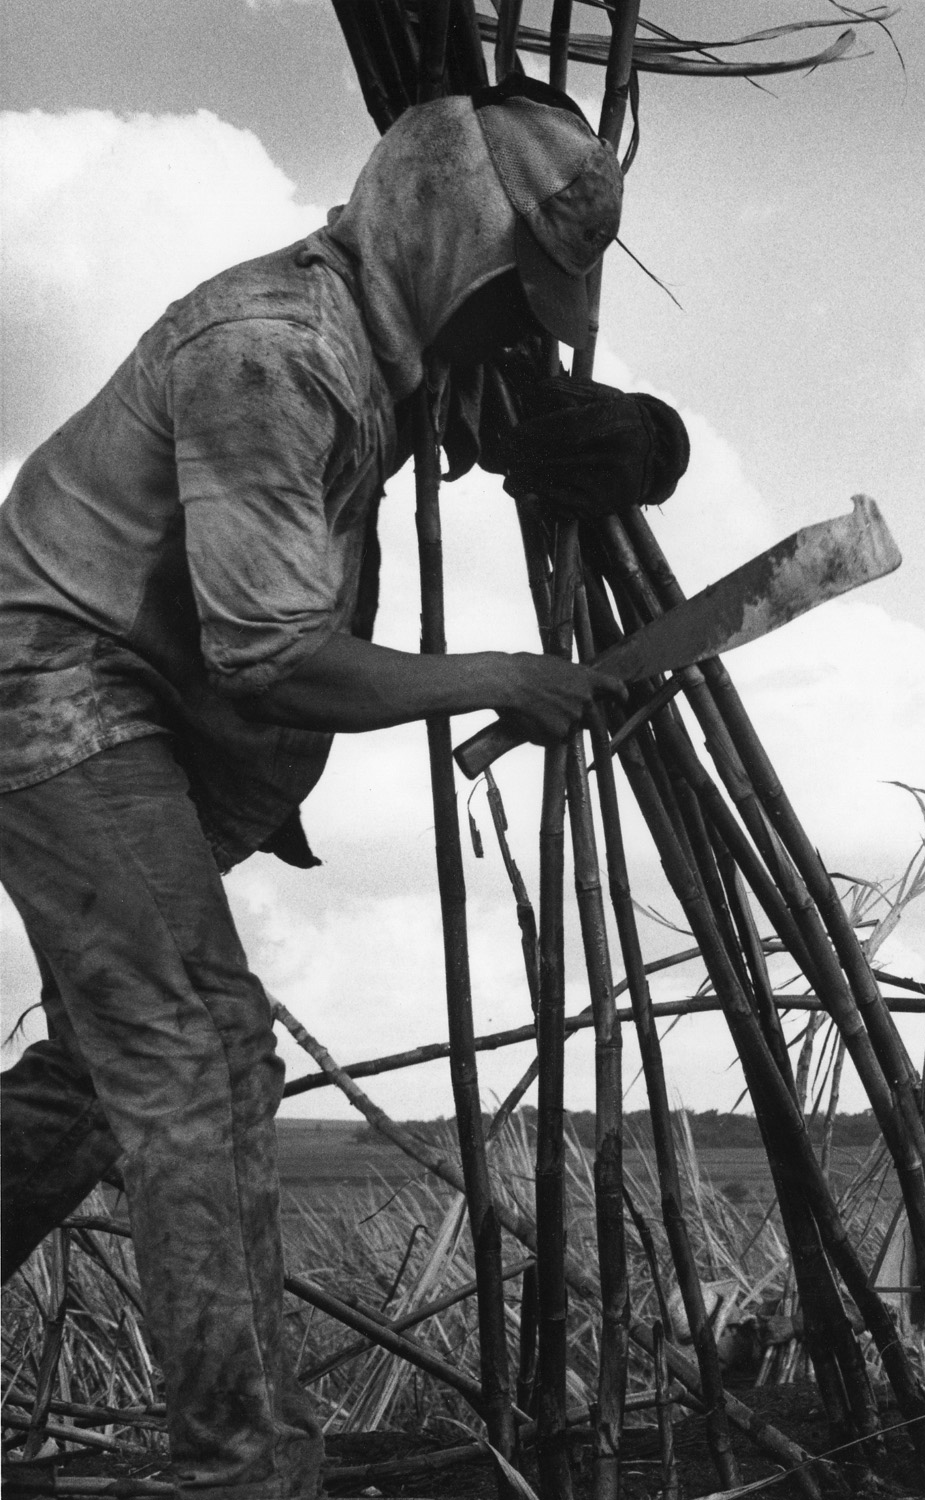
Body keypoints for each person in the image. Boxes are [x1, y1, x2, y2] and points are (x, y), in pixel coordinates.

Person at [0, 82, 684, 1498]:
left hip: (148, 728)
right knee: (200, 1048)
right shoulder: (276, 358)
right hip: (52, 690)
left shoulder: (404, 345)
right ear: (449, 242)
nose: (514, 331)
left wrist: (645, 442)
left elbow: (537, 418)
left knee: (99, 1077)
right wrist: (507, 673)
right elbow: (273, 658)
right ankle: (245, 1469)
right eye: (508, 296)